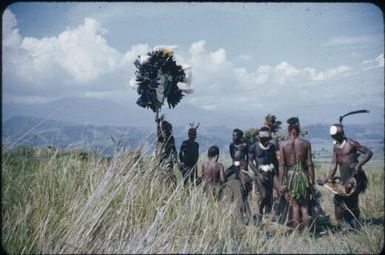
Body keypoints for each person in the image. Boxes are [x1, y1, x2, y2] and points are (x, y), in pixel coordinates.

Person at [321, 123, 372, 229]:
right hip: (345, 177)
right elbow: (334, 164)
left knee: (352, 200)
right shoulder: (336, 147)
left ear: (341, 134)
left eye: (337, 135)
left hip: (355, 176)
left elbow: (368, 152)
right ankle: (341, 225)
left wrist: (358, 166)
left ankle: (354, 225)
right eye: (334, 136)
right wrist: (329, 177)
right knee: (338, 200)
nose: (336, 137)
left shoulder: (351, 143)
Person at [278, 117, 315, 230]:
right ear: (298, 129)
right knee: (304, 206)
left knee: (294, 206)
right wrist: (312, 182)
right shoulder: (305, 143)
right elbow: (309, 164)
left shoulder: (283, 145)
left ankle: (296, 234)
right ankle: (307, 232)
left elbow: (282, 165)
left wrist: (281, 184)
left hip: (290, 175)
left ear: (289, 130)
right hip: (303, 175)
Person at [249, 126, 279, 219]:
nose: (266, 140)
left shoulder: (272, 147)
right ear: (260, 138)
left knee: (273, 195)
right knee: (265, 196)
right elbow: (250, 161)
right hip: (260, 174)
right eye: (264, 139)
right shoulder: (254, 147)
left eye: (267, 139)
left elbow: (275, 161)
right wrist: (258, 174)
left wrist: (278, 174)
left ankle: (271, 213)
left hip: (271, 173)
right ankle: (260, 211)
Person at [221, 159, 252, 224]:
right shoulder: (247, 176)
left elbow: (225, 176)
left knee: (233, 205)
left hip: (233, 186)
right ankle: (249, 220)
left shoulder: (240, 173)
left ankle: (239, 221)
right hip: (240, 189)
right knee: (243, 203)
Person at [156, 116, 178, 185]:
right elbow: (174, 150)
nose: (165, 131)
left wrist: (175, 159)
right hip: (163, 161)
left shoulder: (169, 138)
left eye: (165, 129)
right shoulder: (166, 138)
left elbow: (174, 150)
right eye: (164, 129)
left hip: (165, 161)